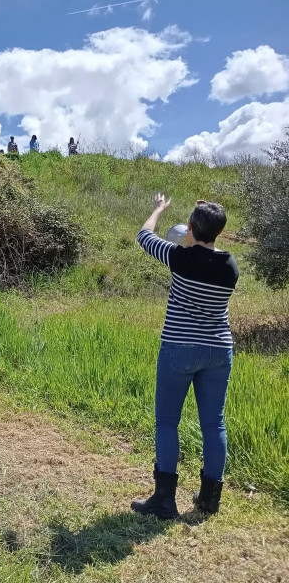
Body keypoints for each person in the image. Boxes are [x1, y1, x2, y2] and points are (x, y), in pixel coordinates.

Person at [131, 196, 239, 520]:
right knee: (213, 424)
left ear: (190, 228)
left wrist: (158, 210)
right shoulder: (231, 266)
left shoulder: (179, 257)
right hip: (219, 350)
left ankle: (164, 500)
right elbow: (207, 253)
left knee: (167, 422)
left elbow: (144, 235)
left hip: (179, 347)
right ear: (220, 231)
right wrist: (202, 220)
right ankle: (208, 500)